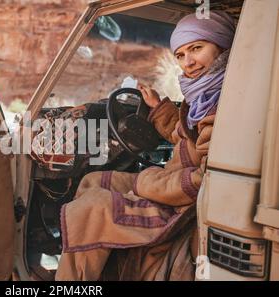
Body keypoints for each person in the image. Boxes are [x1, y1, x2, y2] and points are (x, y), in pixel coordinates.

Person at [55, 11, 236, 281]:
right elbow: (186, 137)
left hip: (185, 207)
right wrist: (159, 108)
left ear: (221, 47)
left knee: (89, 211)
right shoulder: (204, 96)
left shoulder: (225, 102)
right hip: (172, 185)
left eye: (197, 48)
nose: (189, 62)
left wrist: (149, 182)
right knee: (92, 181)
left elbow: (207, 181)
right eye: (180, 55)